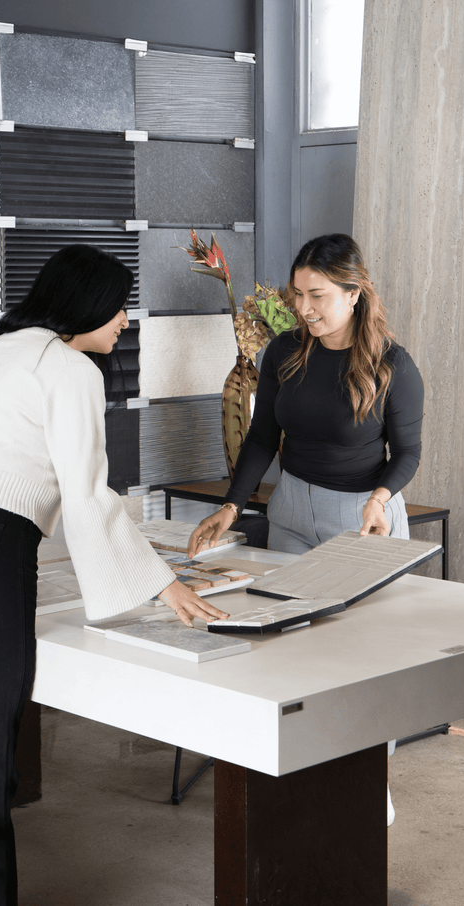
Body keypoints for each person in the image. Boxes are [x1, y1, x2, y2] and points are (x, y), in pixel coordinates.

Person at [0, 244, 228, 906]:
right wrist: (163, 582)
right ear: (85, 303)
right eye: (119, 305)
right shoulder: (70, 368)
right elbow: (88, 496)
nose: (125, 319)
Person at [187, 233, 423, 827]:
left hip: (363, 519)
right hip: (291, 510)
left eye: (317, 295)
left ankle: (369, 781)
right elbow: (263, 437)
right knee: (293, 648)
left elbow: (407, 452)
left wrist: (380, 498)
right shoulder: (284, 352)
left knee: (363, 657)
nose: (304, 308)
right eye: (298, 294)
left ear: (354, 293)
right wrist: (232, 507)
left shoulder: (393, 365)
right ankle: (300, 773)